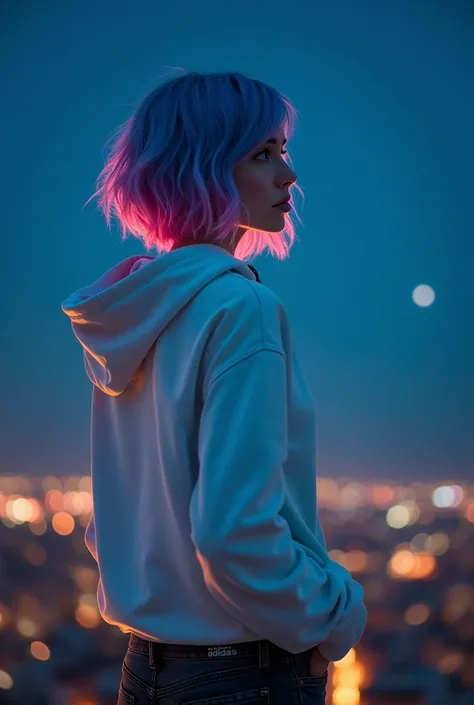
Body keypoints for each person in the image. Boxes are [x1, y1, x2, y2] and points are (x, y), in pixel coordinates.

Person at [61, 69, 367, 705]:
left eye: (283, 151)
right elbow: (233, 531)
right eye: (261, 154)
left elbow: (115, 518)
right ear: (201, 168)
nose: (289, 176)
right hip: (244, 673)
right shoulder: (238, 307)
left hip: (146, 670)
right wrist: (334, 614)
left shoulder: (135, 309)